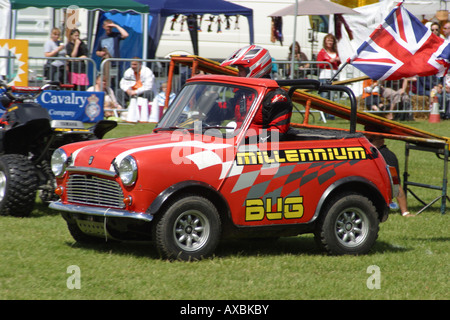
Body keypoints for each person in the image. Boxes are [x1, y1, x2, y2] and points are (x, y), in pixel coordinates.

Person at [221, 45, 292, 135]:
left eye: (241, 70)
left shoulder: (276, 97)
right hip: (237, 143)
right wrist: (205, 106)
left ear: (255, 68)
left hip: (259, 147)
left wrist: (247, 139)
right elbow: (225, 110)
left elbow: (277, 133)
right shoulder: (243, 94)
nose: (238, 75)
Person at [365, 127, 414, 217]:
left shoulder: (387, 156)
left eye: (370, 140)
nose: (366, 142)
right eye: (364, 139)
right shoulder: (365, 153)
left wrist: (405, 212)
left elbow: (395, 183)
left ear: (382, 141)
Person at [95, 19, 129, 88]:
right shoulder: (101, 38)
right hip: (105, 64)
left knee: (115, 83)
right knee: (105, 81)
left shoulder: (115, 36)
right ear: (103, 27)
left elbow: (126, 35)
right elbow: (97, 51)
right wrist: (100, 53)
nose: (109, 28)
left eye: (110, 27)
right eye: (107, 26)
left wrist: (116, 26)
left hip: (115, 64)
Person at [317, 33, 341, 98]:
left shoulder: (336, 52)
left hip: (334, 76)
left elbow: (338, 64)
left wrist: (338, 60)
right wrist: (329, 61)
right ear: (325, 41)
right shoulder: (322, 52)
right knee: (325, 95)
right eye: (328, 40)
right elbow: (319, 64)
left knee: (332, 96)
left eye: (331, 41)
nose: (330, 42)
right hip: (325, 76)